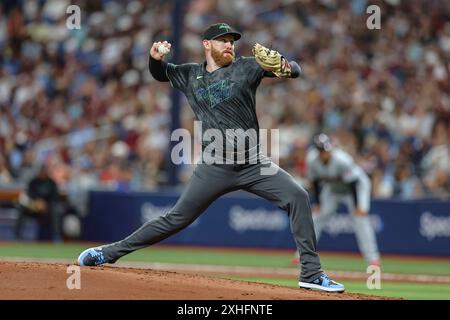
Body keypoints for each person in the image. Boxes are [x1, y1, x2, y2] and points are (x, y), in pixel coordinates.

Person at [77, 23, 345, 292]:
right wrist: (154, 58)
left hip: (253, 163)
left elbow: (295, 71)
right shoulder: (190, 74)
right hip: (215, 165)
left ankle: (310, 273)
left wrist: (285, 65)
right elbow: (159, 74)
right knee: (175, 219)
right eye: (222, 40)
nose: (229, 45)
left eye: (231, 41)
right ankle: (107, 253)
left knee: (298, 196)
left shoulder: (247, 67)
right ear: (207, 45)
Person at [292, 133, 380, 267]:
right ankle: (300, 256)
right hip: (333, 189)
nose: (324, 153)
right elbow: (314, 181)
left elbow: (353, 183)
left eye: (326, 150)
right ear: (317, 151)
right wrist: (317, 203)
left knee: (361, 220)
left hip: (356, 188)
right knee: (316, 218)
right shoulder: (311, 160)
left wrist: (358, 207)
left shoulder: (342, 160)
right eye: (321, 150)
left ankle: (373, 259)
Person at [15, 164, 62, 241]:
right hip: (34, 207)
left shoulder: (52, 183)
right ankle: (17, 236)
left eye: (45, 171)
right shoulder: (33, 182)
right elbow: (29, 195)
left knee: (56, 210)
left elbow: (55, 197)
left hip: (47, 208)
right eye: (41, 171)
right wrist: (37, 202)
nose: (43, 173)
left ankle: (56, 236)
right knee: (21, 209)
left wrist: (45, 204)